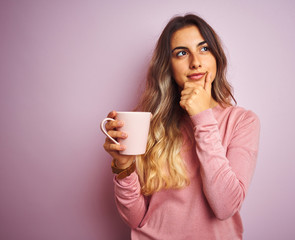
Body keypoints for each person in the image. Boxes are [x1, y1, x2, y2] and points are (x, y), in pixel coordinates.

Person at [103, 14, 260, 240]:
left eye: (204, 49)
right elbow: (135, 219)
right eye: (182, 53)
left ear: (217, 57)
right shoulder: (147, 123)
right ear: (168, 66)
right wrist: (124, 167)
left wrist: (202, 117)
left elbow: (225, 207)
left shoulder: (243, 121)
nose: (195, 62)